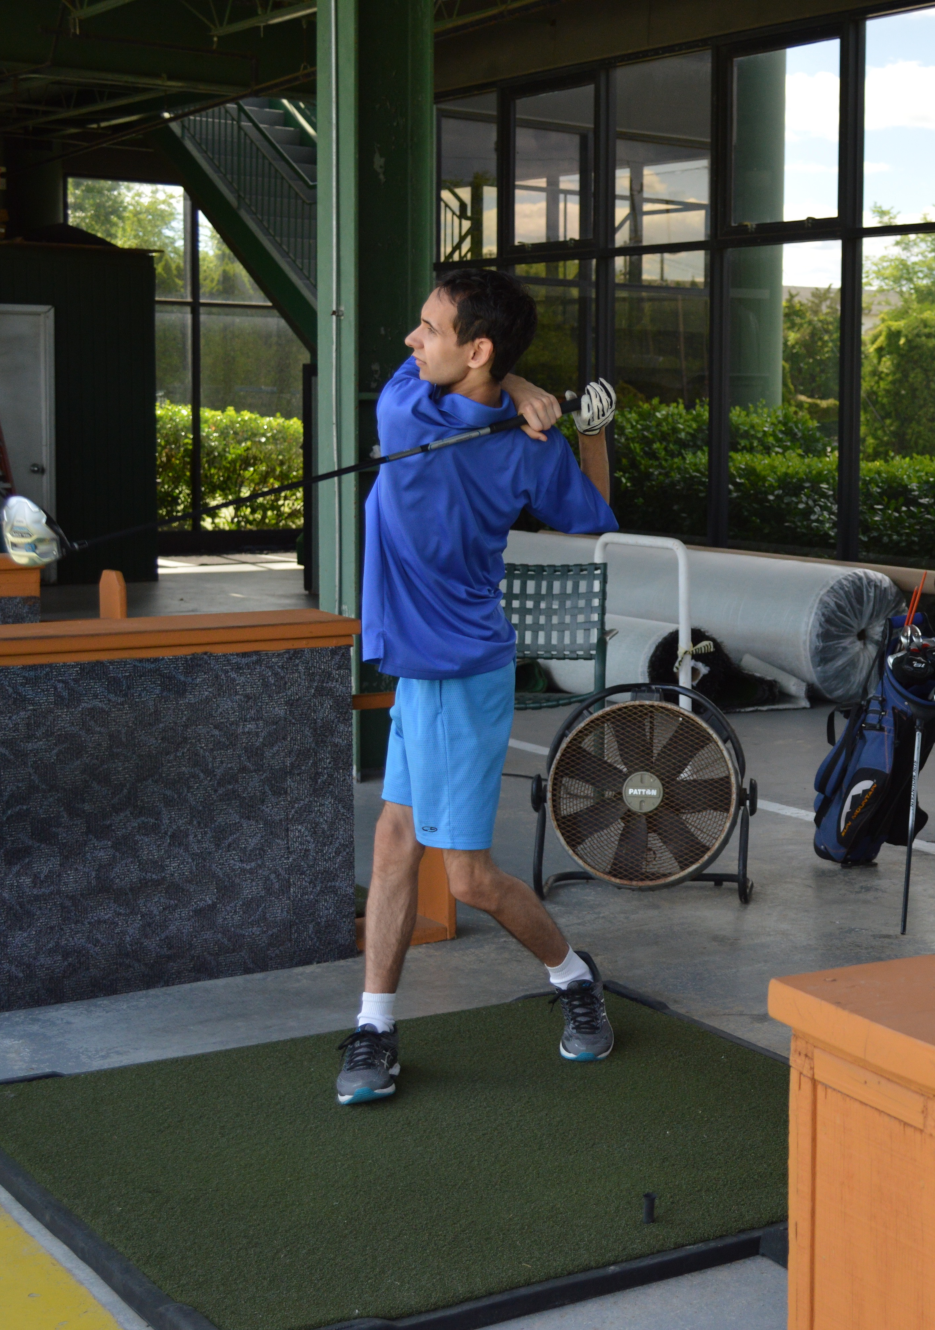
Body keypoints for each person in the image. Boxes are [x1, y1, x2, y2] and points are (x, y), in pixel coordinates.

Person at [335, 268, 621, 1106]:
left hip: (464, 676)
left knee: (466, 881)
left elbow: (594, 517)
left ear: (476, 348)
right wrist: (527, 390)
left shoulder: (481, 435)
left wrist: (576, 426)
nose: (411, 341)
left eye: (428, 329)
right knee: (394, 847)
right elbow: (582, 490)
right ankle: (376, 1029)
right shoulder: (413, 403)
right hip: (421, 674)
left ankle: (575, 977)